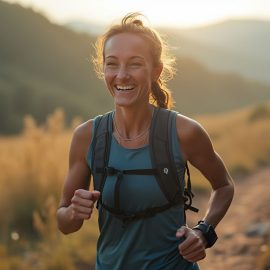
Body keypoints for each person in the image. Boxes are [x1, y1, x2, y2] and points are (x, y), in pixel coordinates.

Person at [57, 12, 234, 270]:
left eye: (135, 64)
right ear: (103, 68)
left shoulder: (184, 132)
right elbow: (65, 224)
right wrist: (73, 212)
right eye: (112, 64)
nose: (122, 75)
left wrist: (203, 231)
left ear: (156, 71)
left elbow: (224, 185)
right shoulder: (87, 137)